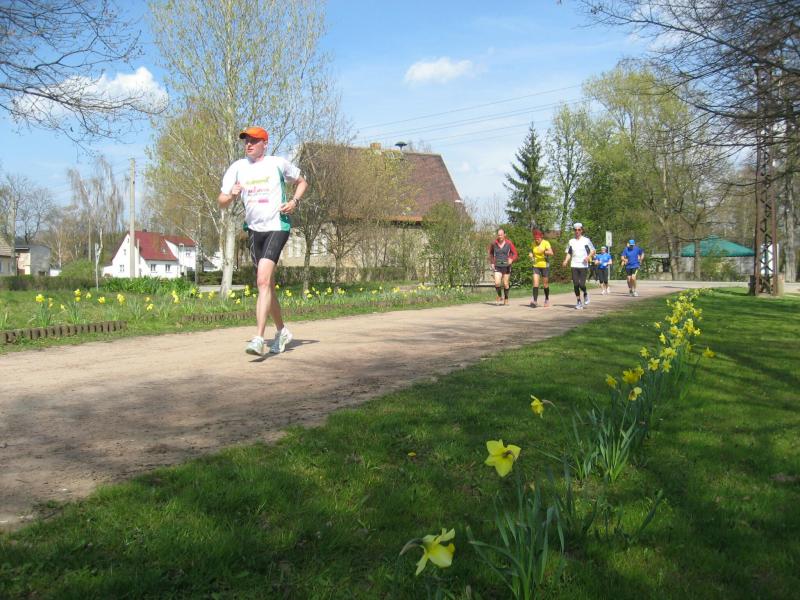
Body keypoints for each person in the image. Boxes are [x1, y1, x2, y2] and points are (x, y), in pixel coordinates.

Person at [218, 126, 307, 355]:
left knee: (262, 281)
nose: (248, 144)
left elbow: (302, 182)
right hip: (254, 231)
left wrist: (294, 202)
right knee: (267, 285)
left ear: (264, 144)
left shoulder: (277, 163)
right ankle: (282, 331)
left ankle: (258, 338)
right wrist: (231, 195)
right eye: (246, 141)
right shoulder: (237, 167)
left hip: (277, 226)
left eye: (254, 141)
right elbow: (221, 201)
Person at [562, 222, 595, 310]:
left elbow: (593, 251)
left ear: (581, 230)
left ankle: (585, 293)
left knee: (582, 284)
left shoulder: (586, 240)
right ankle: (579, 301)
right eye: (575, 230)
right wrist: (566, 260)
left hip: (583, 265)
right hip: (574, 264)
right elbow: (569, 253)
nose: (577, 231)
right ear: (574, 231)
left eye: (579, 230)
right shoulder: (571, 241)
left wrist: (588, 257)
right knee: (576, 284)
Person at [488, 228, 518, 305]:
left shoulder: (509, 243)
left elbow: (515, 253)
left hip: (506, 266)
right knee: (497, 283)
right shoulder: (494, 243)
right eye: (498, 235)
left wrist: (511, 259)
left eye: (501, 235)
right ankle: (499, 296)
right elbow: (491, 253)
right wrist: (492, 262)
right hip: (497, 265)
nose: (500, 236)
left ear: (504, 235)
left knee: (505, 284)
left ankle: (506, 298)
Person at [527, 229, 553, 307]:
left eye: (538, 238)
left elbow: (551, 253)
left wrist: (544, 251)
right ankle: (535, 301)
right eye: (535, 238)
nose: (537, 240)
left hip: (545, 265)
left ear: (541, 237)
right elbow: (531, 251)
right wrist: (531, 255)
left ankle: (547, 299)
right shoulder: (533, 243)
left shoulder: (546, 243)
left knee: (545, 284)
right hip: (536, 265)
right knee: (535, 283)